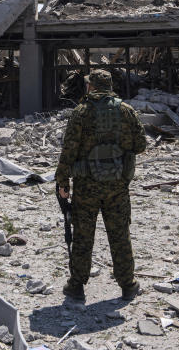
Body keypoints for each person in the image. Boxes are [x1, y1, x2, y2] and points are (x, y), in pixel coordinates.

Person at [55, 69, 147, 301]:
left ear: (90, 87)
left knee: (83, 236)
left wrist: (62, 182)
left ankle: (77, 286)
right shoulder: (126, 111)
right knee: (119, 234)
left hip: (86, 185)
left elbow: (69, 150)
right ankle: (128, 285)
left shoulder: (81, 112)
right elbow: (140, 145)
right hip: (117, 185)